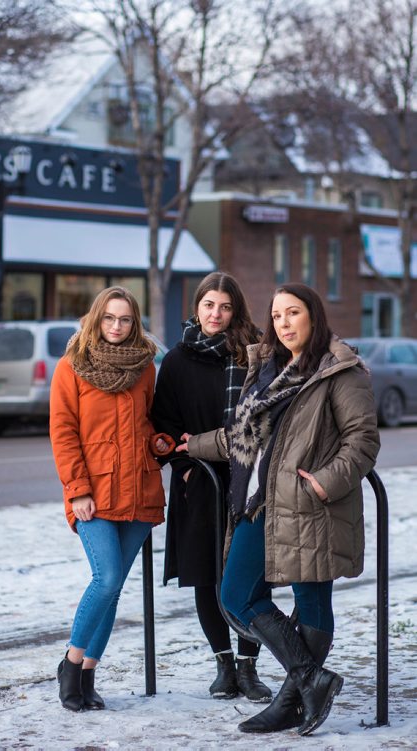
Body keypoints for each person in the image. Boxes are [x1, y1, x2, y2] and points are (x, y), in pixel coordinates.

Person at [177, 282, 380, 736]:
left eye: (293, 313)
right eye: (277, 315)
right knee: (235, 594)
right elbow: (244, 435)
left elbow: (363, 441)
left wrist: (326, 483)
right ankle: (311, 678)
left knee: (311, 598)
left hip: (311, 503)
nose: (284, 323)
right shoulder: (267, 366)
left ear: (314, 316)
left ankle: (292, 701)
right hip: (259, 500)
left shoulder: (340, 371)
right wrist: (197, 444)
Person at [50, 286, 174, 713]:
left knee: (115, 587)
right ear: (95, 319)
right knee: (105, 579)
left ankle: (88, 674)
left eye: (125, 320)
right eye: (109, 318)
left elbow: (148, 423)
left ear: (134, 322)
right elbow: (63, 434)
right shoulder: (71, 367)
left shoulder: (145, 368)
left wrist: (161, 444)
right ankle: (70, 662)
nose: (117, 327)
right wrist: (77, 489)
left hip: (138, 488)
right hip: (94, 494)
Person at [152, 271, 272, 703]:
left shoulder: (256, 353)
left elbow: (270, 414)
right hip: (200, 482)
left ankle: (248, 666)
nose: (216, 314)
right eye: (208, 305)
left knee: (250, 576)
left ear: (235, 309)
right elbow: (163, 424)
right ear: (197, 307)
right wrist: (183, 468)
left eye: (225, 306)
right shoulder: (179, 359)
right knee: (206, 575)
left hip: (250, 480)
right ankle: (223, 664)